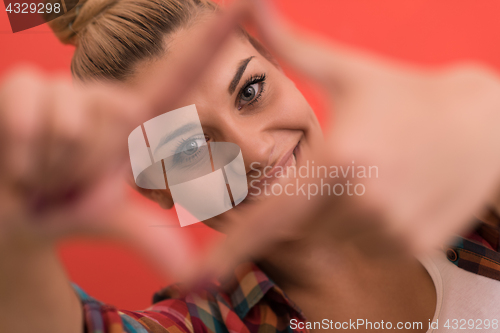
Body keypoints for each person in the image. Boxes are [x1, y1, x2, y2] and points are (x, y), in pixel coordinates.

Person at [1, 0, 500, 332]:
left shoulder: (469, 204)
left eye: (251, 91)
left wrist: (484, 113)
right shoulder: (207, 323)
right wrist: (14, 239)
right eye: (189, 149)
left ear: (282, 66)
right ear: (156, 189)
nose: (255, 152)